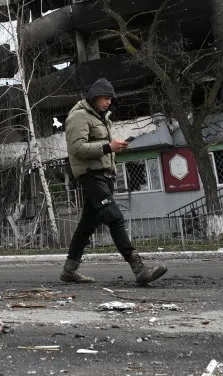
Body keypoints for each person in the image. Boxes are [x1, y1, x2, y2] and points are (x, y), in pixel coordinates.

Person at [61, 78, 168, 286]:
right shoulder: (79, 117)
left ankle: (69, 270)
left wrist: (112, 155)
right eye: (105, 98)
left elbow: (100, 147)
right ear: (94, 96)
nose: (109, 102)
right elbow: (76, 149)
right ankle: (139, 269)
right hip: (91, 176)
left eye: (111, 99)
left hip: (104, 177)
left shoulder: (102, 118)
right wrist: (109, 147)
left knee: (87, 226)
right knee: (114, 217)